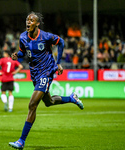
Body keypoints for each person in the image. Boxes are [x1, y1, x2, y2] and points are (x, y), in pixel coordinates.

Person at [9, 12, 84, 149]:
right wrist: (17, 55)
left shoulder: (46, 36)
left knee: (32, 105)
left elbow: (61, 42)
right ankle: (71, 98)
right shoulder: (23, 37)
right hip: (35, 74)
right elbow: (22, 51)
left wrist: (59, 62)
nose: (28, 22)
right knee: (49, 102)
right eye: (27, 20)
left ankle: (21, 141)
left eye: (32, 20)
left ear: (37, 23)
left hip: (46, 72)